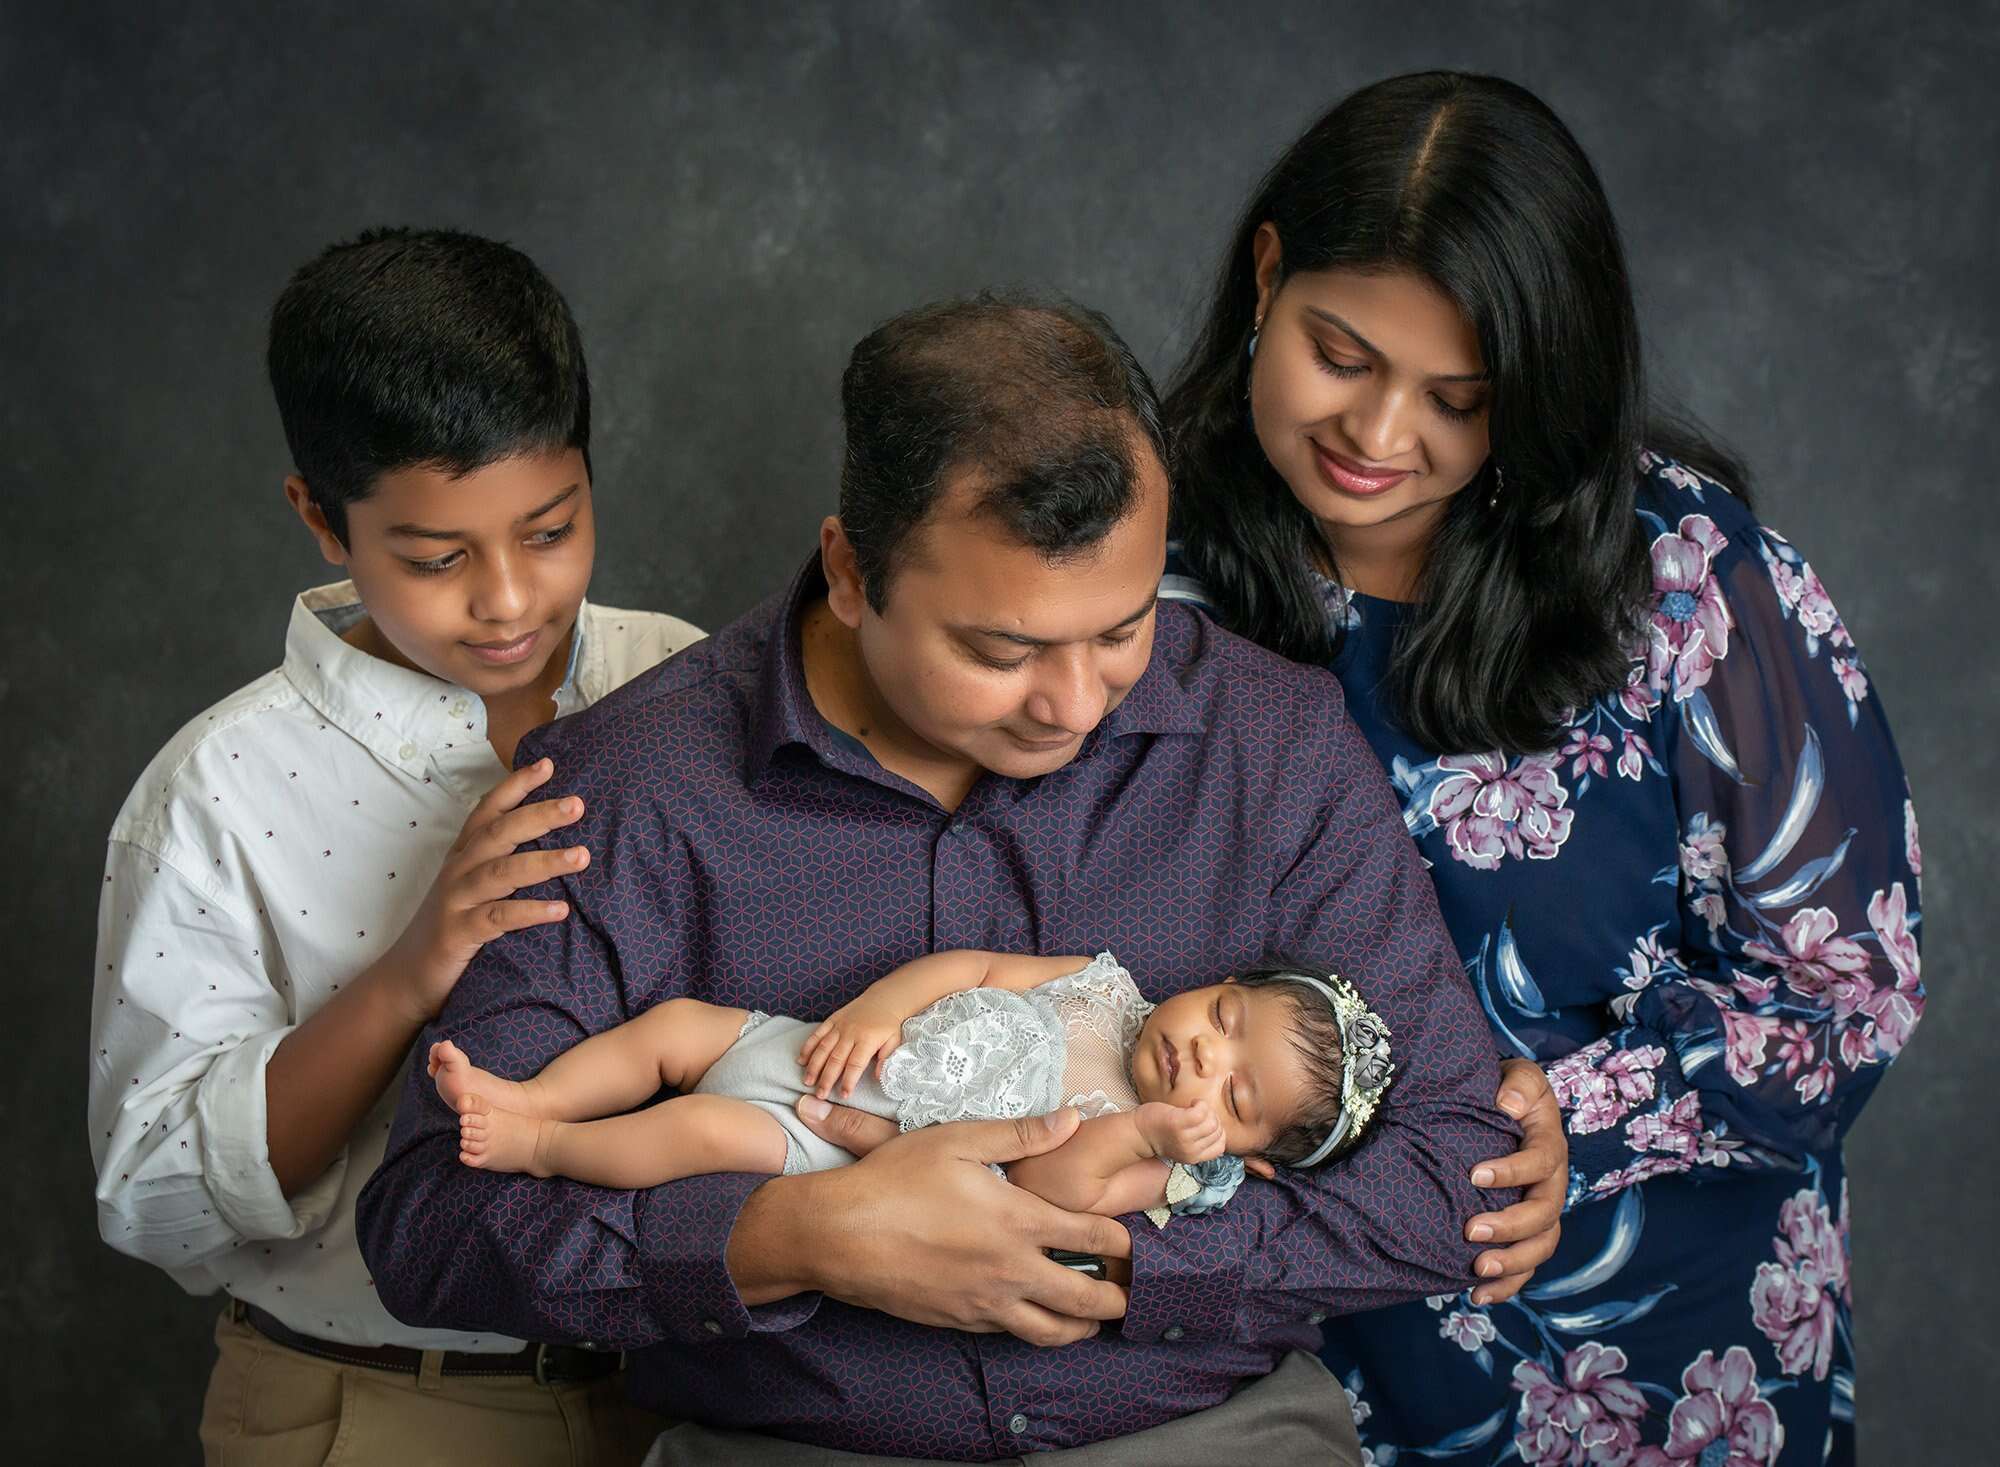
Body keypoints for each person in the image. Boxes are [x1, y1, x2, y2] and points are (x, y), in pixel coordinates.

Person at [356, 294, 1559, 1464]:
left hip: (1202, 1433)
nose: (1075, 703)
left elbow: (1453, 1169)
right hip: (801, 1444)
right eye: (1001, 650)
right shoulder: (626, 787)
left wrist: (1130, 1257)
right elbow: (432, 1230)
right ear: (848, 571)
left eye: (1122, 628)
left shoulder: (1273, 742)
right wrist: (794, 1237)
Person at [1161, 70, 1923, 1465]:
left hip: (1663, 1374)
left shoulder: (1688, 583)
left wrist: (1577, 1114)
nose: (1382, 437)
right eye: (1342, 353)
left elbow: (1849, 994)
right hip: (1253, 1381)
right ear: (1267, 273)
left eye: (1459, 398)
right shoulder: (1134, 567)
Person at [89, 227, 702, 1465]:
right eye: (436, 559)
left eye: (550, 529)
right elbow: (154, 1193)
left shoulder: (680, 682)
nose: (510, 600)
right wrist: (416, 968)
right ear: (322, 518)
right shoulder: (213, 791)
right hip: (380, 1404)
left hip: (691, 1393)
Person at [424, 948, 1395, 1224]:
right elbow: (971, 968)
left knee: (705, 1132)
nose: (1202, 1062)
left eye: (1235, 1100)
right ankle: (538, 1095)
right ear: (1220, 984)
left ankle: (543, 1148)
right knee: (675, 1027)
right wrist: (881, 1010)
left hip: (828, 1149)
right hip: (820, 1050)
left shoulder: (1159, 1163)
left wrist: (1147, 1137)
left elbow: (1056, 1197)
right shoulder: (1101, 987)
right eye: (1223, 1021)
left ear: (1249, 1160)